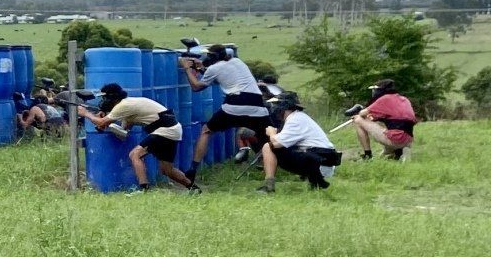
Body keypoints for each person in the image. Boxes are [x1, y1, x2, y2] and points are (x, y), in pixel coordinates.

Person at [79, 83, 199, 194]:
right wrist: (106, 123)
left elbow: (102, 122)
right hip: (172, 129)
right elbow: (123, 132)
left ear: (112, 98)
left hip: (165, 129)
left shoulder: (123, 106)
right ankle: (194, 189)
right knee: (167, 170)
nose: (103, 101)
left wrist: (86, 113)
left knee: (135, 155)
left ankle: (144, 190)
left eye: (105, 98)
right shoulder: (127, 105)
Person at [180, 43, 269, 178]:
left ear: (211, 57)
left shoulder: (213, 68)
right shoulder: (238, 62)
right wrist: (202, 67)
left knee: (206, 131)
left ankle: (193, 169)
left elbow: (196, 87)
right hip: (257, 105)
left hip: (234, 104)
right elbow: (222, 76)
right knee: (270, 137)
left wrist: (187, 69)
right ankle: (274, 165)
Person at [260, 96, 340, 192]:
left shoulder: (295, 120)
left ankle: (269, 186)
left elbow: (276, 143)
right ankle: (313, 181)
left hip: (319, 163)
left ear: (284, 107)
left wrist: (271, 133)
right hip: (321, 160)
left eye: (276, 105)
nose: (274, 109)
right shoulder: (298, 117)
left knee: (268, 147)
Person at [346, 79, 417, 161]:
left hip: (396, 139)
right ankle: (398, 152)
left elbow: (362, 113)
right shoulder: (404, 99)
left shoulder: (385, 98)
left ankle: (367, 156)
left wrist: (359, 110)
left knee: (358, 119)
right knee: (383, 157)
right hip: (408, 140)